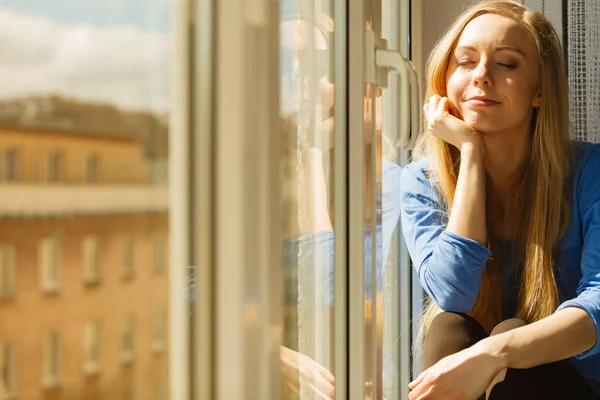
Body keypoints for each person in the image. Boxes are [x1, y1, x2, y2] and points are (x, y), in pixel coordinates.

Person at [399, 1, 600, 399]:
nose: (481, 76)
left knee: (513, 333)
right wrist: (471, 154)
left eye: (506, 64)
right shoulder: (422, 181)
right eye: (465, 61)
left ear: (540, 90)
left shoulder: (589, 171)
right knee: (449, 326)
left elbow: (598, 308)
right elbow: (454, 295)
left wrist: (497, 352)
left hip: (579, 385)